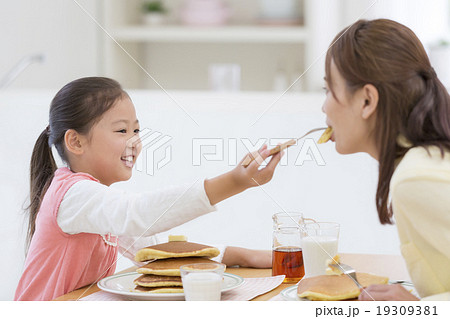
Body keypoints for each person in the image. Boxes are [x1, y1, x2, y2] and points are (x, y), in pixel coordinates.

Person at [15, 77, 280, 301]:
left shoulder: (99, 203)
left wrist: (242, 255)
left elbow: (158, 250)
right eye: (121, 130)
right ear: (75, 141)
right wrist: (234, 182)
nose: (135, 142)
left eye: (137, 129)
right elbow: (139, 214)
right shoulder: (72, 196)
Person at [322, 19, 450, 301]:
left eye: (329, 90)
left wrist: (417, 307)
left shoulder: (416, 178)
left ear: (367, 101)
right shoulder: (421, 165)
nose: (324, 106)